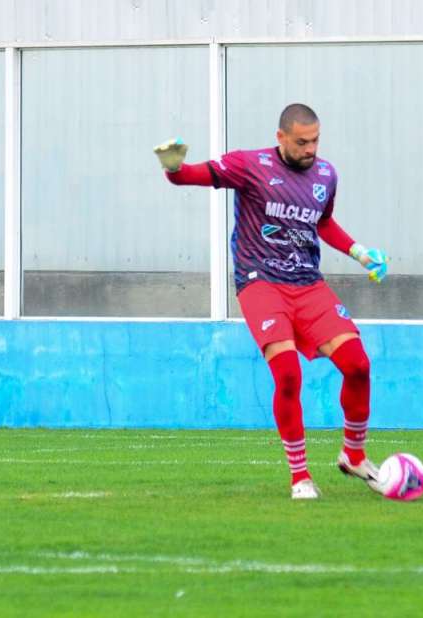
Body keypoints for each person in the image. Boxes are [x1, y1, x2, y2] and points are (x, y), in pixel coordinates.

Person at [154, 103, 389, 500]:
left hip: (307, 284)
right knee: (288, 375)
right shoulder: (251, 166)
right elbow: (193, 176)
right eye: (302, 142)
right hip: (261, 283)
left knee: (358, 365)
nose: (310, 148)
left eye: (315, 140)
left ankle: (354, 455)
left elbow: (323, 222)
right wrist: (175, 169)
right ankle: (300, 477)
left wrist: (358, 252)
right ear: (280, 137)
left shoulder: (326, 174)